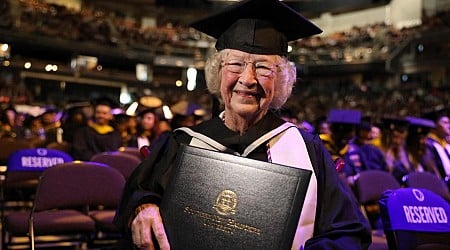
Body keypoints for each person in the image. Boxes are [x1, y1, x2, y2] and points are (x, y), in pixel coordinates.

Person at [114, 0, 371, 249]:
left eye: (263, 68)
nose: (247, 80)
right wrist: (144, 207)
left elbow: (349, 231)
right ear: (218, 71)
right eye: (235, 64)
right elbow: (139, 195)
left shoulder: (306, 149)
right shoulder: (182, 142)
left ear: (281, 80)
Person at [71, 97, 122, 161]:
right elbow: (79, 152)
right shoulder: (83, 132)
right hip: (89, 166)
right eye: (98, 112)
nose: (101, 116)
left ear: (110, 116)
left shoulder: (115, 135)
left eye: (104, 113)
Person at [423, 108, 450, 180]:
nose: (449, 126)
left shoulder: (446, 145)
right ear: (434, 126)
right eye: (445, 123)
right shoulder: (429, 144)